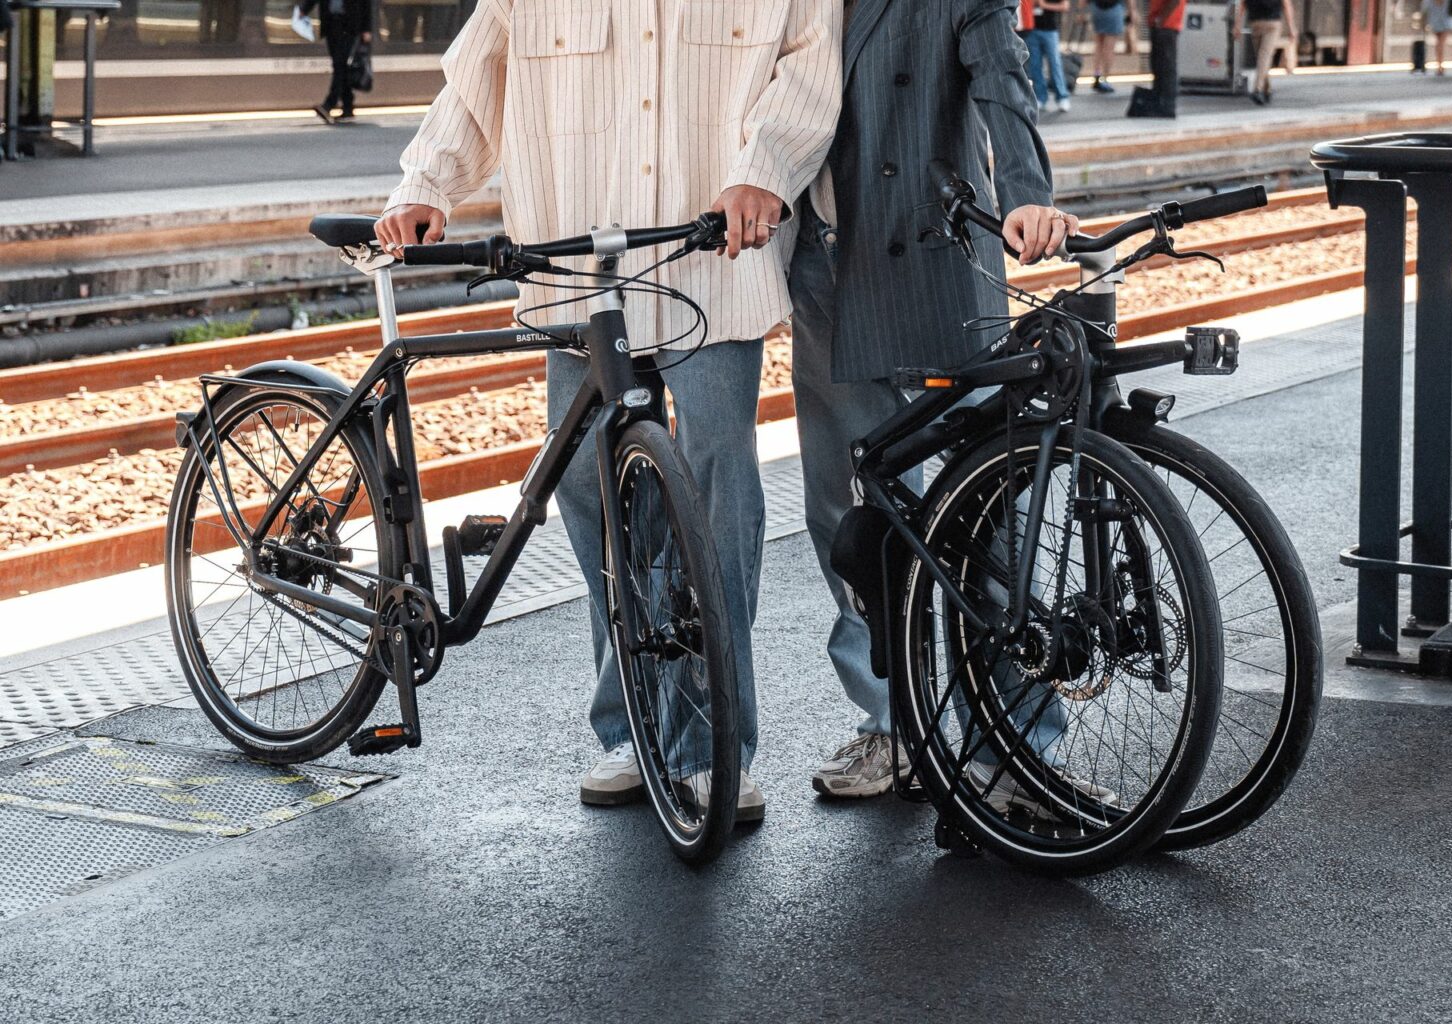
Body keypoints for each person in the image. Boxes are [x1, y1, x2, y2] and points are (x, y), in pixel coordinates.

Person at [375, 0, 842, 821]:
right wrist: (427, 185)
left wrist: (764, 169)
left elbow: (810, 68)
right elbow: (475, 83)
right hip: (576, 273)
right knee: (591, 493)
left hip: (711, 266)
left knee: (716, 497)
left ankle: (711, 744)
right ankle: (631, 720)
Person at [790, 0, 1080, 799]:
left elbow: (1004, 80)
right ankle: (893, 727)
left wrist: (1025, 191)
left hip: (932, 260)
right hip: (822, 269)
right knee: (849, 519)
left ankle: (1016, 751)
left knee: (985, 519)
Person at [301, 0, 373, 124]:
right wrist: (304, 10)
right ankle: (348, 108)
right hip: (331, 25)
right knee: (341, 66)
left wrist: (366, 29)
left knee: (340, 65)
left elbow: (366, 4)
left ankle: (329, 105)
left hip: (349, 25)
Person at [1128, 0, 1184, 117]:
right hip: (1160, 24)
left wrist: (1160, 19)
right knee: (1159, 66)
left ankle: (1166, 105)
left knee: (1166, 66)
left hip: (1166, 25)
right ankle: (1159, 102)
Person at [1236, 0, 1296, 105]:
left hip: (1255, 23)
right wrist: (1291, 28)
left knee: (1262, 57)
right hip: (1273, 24)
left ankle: (1262, 89)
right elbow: (1287, 5)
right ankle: (1260, 90)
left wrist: (1237, 25)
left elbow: (1242, 4)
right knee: (1264, 57)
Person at [1023, 0, 1073, 112]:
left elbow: (1065, 6)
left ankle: (1062, 97)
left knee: (1055, 63)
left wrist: (1044, 5)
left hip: (1050, 30)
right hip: (1031, 30)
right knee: (1035, 65)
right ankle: (1040, 97)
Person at [1090, 0, 1136, 93]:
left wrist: (1080, 10)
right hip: (1114, 9)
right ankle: (1105, 79)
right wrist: (1132, 12)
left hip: (1097, 9)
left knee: (1099, 45)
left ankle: (1096, 74)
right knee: (1109, 48)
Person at [1422, 0, 1452, 75]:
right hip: (1444, 22)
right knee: (1440, 43)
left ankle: (1439, 64)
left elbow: (1424, 10)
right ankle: (1440, 64)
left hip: (1438, 22)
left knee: (1439, 43)